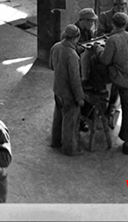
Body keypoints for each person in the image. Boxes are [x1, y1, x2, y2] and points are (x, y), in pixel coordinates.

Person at [101, 12, 128, 155]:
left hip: (124, 81)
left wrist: (98, 49)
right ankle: (111, 111)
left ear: (113, 24)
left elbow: (105, 60)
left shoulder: (113, 40)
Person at [48, 24, 85, 156]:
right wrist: (80, 97)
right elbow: (75, 80)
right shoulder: (72, 55)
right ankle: (69, 149)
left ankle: (56, 142)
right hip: (69, 94)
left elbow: (51, 65)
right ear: (76, 38)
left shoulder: (56, 46)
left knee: (58, 117)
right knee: (70, 121)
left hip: (57, 89)